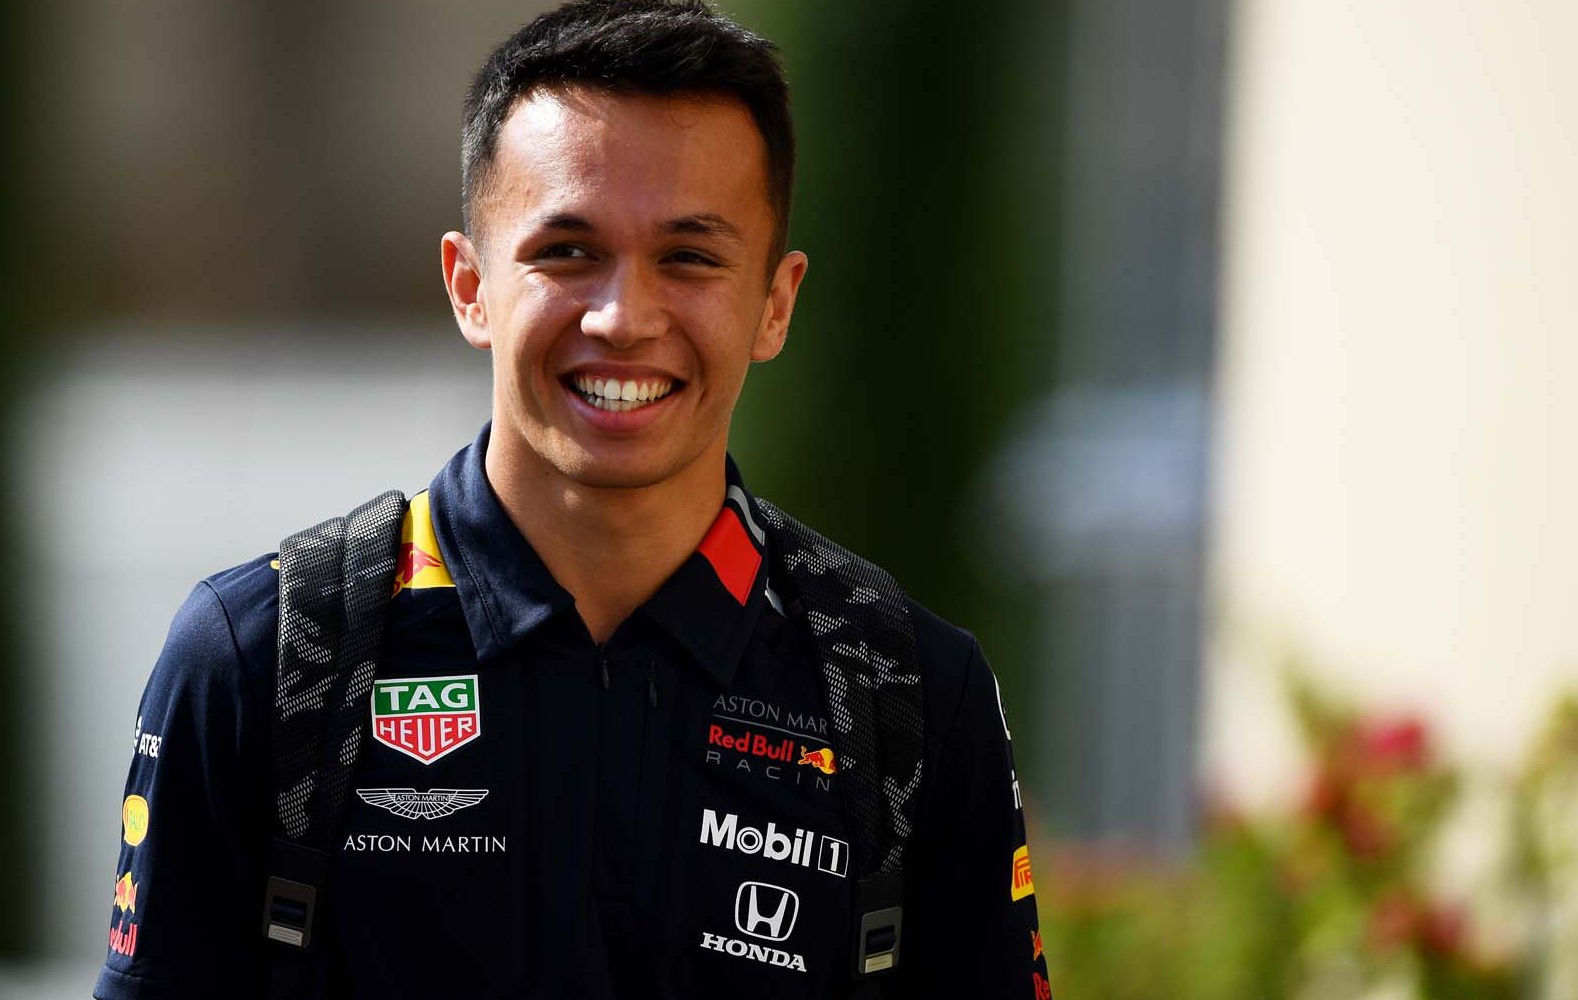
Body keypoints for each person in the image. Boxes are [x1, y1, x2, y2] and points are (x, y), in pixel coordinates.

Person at [94, 2, 1049, 997]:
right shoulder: (267, 657)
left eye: (689, 257)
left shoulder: (905, 695)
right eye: (567, 250)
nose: (623, 317)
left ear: (775, 302)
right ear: (470, 286)